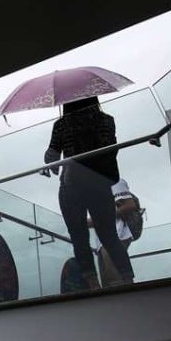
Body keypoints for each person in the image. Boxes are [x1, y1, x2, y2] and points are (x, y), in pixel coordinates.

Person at [43, 96, 134, 289]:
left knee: (79, 237)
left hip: (71, 186)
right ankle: (129, 280)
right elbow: (111, 150)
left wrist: (53, 162)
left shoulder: (62, 123)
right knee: (109, 236)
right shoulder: (106, 120)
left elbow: (51, 156)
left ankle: (93, 284)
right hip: (99, 183)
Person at [91, 177, 138, 286]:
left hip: (117, 235)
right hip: (102, 241)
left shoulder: (114, 182)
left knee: (116, 281)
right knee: (108, 282)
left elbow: (129, 205)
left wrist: (98, 219)